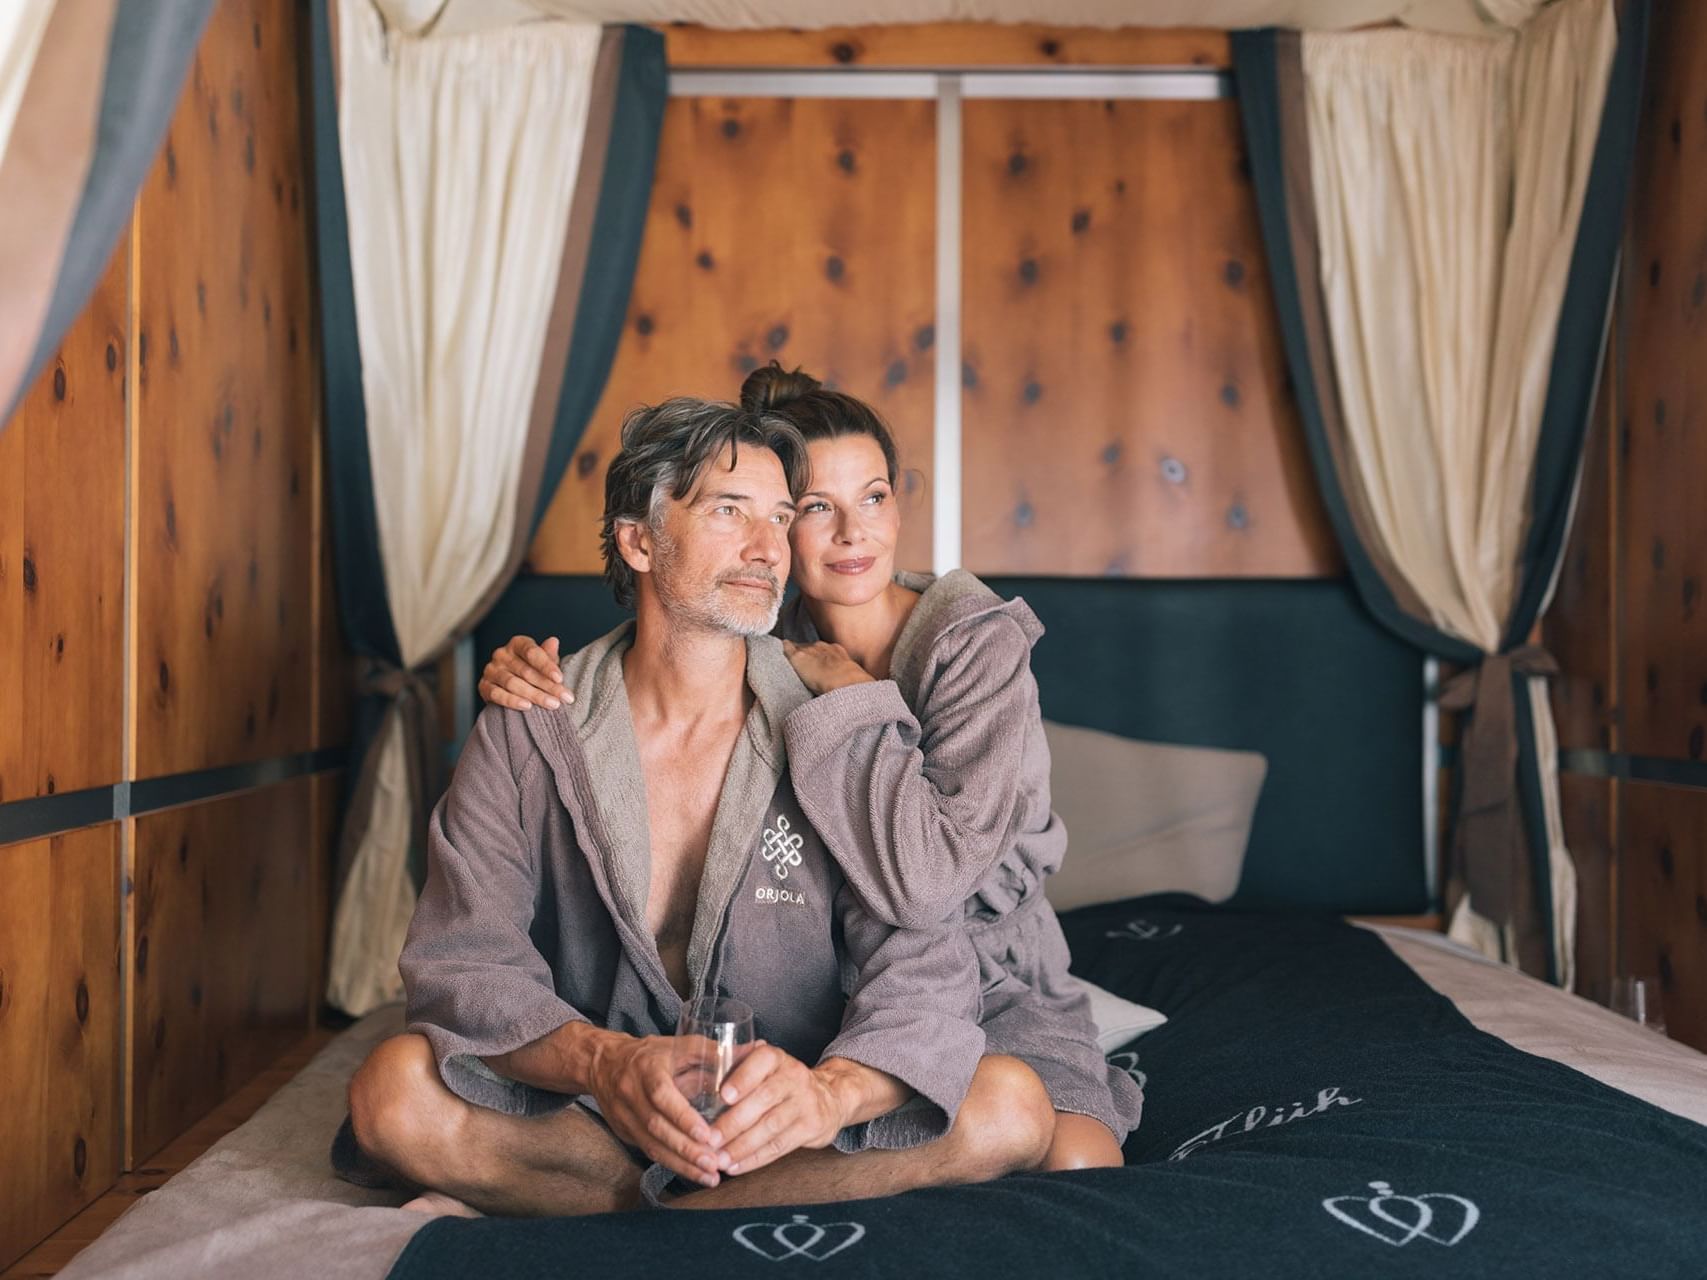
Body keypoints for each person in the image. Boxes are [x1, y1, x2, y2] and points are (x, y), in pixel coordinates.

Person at [343, 398, 1054, 1218]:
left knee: (1008, 1106)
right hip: (600, 1108)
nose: (767, 550)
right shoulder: (535, 723)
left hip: (788, 1110)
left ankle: (654, 1221)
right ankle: (715, 1214)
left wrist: (830, 1094)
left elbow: (922, 959)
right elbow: (463, 961)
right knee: (392, 1094)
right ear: (639, 540)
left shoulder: (831, 721)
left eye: (782, 519)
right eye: (728, 512)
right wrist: (605, 1065)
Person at [481, 367, 1144, 1171]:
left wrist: (856, 702)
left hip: (986, 964)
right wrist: (525, 671)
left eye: (873, 497)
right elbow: (664, 629)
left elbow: (926, 884)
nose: (851, 534)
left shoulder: (974, 644)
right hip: (825, 967)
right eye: (813, 509)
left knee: (1073, 1160)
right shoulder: (764, 621)